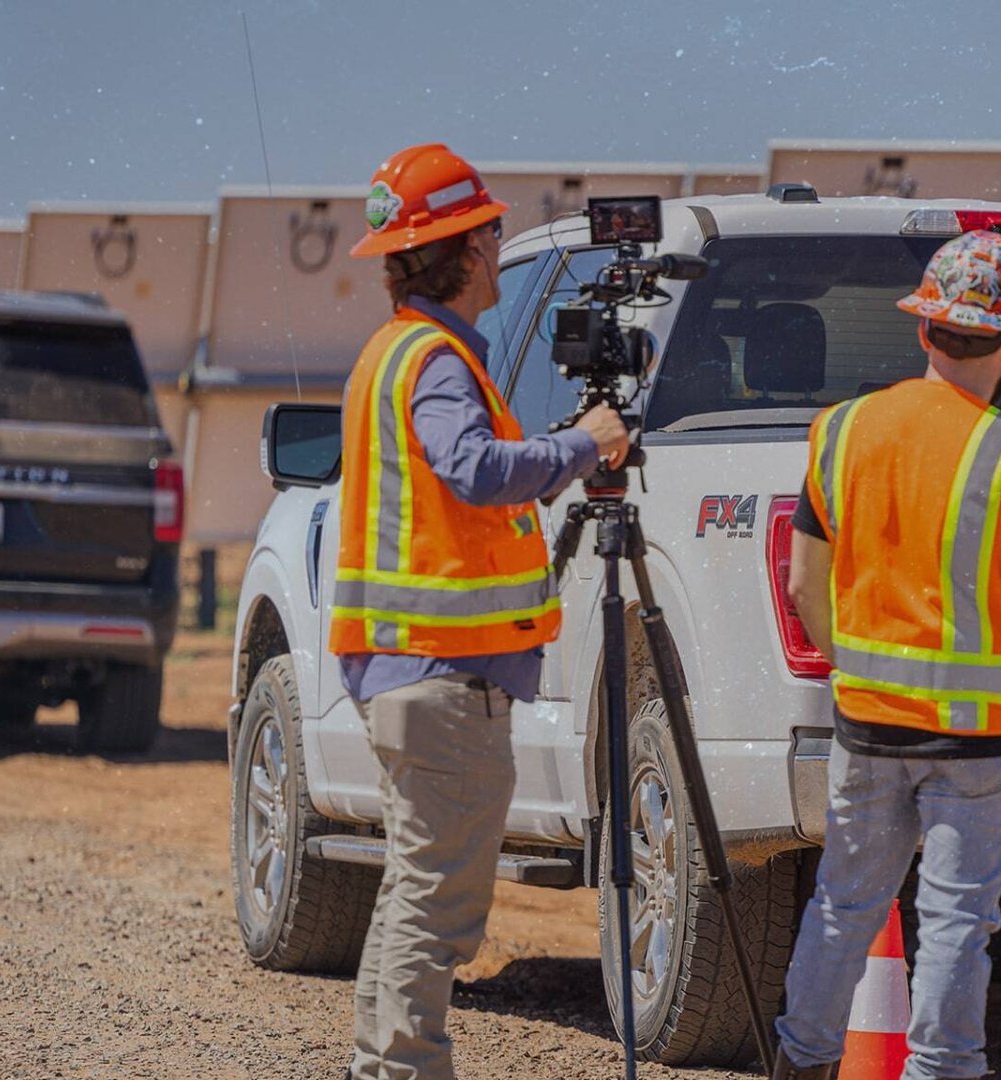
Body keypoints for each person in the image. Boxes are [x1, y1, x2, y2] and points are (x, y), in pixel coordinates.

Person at [331, 143, 629, 1080]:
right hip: (443, 679)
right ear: (460, 249)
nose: (500, 245)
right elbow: (474, 470)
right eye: (491, 231)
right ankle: (405, 1070)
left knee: (413, 891)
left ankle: (383, 1067)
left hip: (410, 672)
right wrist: (581, 443)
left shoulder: (398, 352)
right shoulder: (439, 360)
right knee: (436, 904)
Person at [771, 230, 1001, 1080]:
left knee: (842, 905)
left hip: (868, 726)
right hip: (984, 742)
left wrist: (861, 671)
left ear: (923, 331)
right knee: (955, 922)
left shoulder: (840, 432)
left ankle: (800, 1062)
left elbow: (804, 586)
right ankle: (942, 1071)